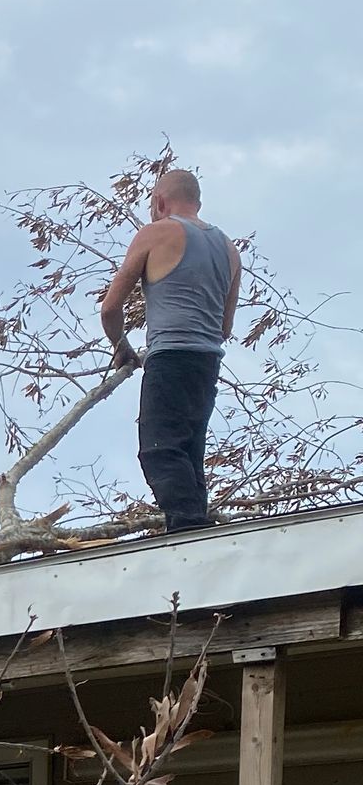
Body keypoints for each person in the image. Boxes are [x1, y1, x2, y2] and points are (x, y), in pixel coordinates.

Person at [99, 166, 241, 535]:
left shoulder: (155, 233)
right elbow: (225, 328)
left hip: (170, 357)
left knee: (160, 451)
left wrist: (122, 347)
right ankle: (194, 524)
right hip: (207, 363)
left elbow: (110, 309)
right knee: (189, 454)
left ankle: (189, 532)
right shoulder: (229, 249)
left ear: (160, 201)